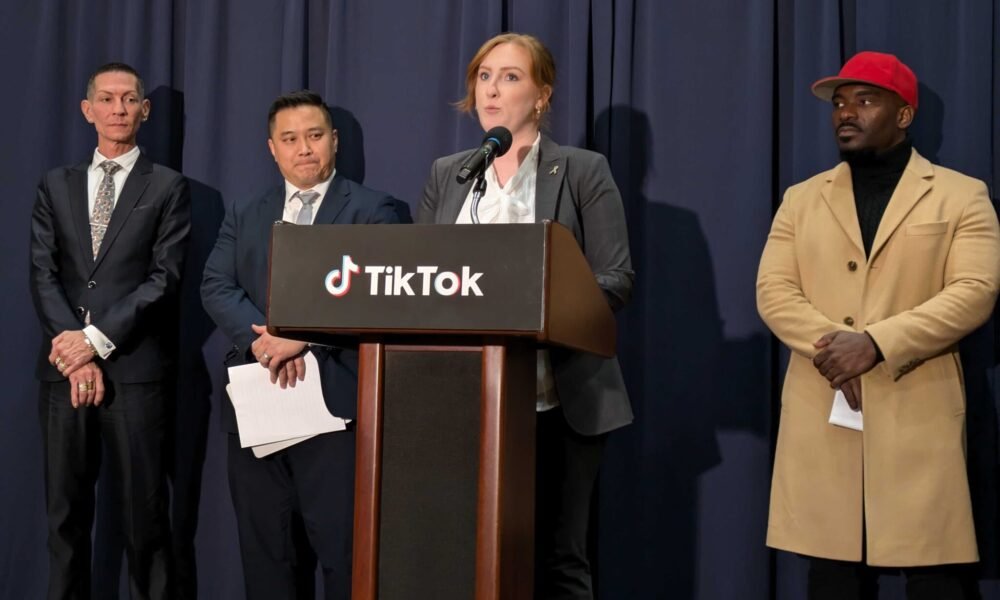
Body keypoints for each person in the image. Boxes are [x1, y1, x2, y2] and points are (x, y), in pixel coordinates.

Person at [757, 51, 1000, 599]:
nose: (846, 112)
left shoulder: (962, 195)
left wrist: (875, 344)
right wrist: (835, 351)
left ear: (904, 114)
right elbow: (773, 291)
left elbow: (974, 291)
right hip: (825, 407)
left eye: (865, 99)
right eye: (840, 102)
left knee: (934, 575)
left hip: (916, 404)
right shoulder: (801, 199)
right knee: (832, 574)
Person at [418, 33, 634, 600]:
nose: (492, 88)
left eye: (510, 77)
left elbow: (615, 278)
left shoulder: (582, 170)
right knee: (473, 554)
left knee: (559, 560)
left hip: (559, 398)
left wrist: (538, 310)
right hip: (468, 400)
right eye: (484, 75)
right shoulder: (450, 174)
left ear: (542, 95)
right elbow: (419, 278)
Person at [201, 90, 405, 599]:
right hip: (258, 402)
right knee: (267, 557)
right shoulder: (246, 210)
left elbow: (381, 296)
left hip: (336, 409)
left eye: (314, 136)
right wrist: (265, 344)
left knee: (344, 554)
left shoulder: (374, 210)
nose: (304, 149)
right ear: (272, 148)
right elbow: (216, 285)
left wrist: (303, 336)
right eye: (290, 139)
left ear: (333, 141)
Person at [29, 62, 191, 599]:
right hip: (63, 374)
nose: (117, 109)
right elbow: (43, 273)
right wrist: (74, 354)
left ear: (144, 111)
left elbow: (163, 279)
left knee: (145, 521)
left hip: (137, 373)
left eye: (129, 100)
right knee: (64, 519)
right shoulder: (56, 184)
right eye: (107, 99)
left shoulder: (168, 186)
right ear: (87, 109)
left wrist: (94, 343)